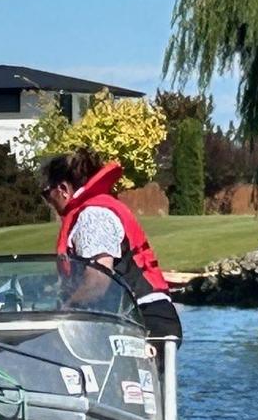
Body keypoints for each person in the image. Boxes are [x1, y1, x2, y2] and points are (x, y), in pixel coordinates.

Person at [39, 150, 182, 362]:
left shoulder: (93, 216)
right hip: (133, 317)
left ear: (63, 189)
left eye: (46, 193)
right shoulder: (95, 209)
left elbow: (98, 281)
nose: (48, 201)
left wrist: (64, 313)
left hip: (142, 319)